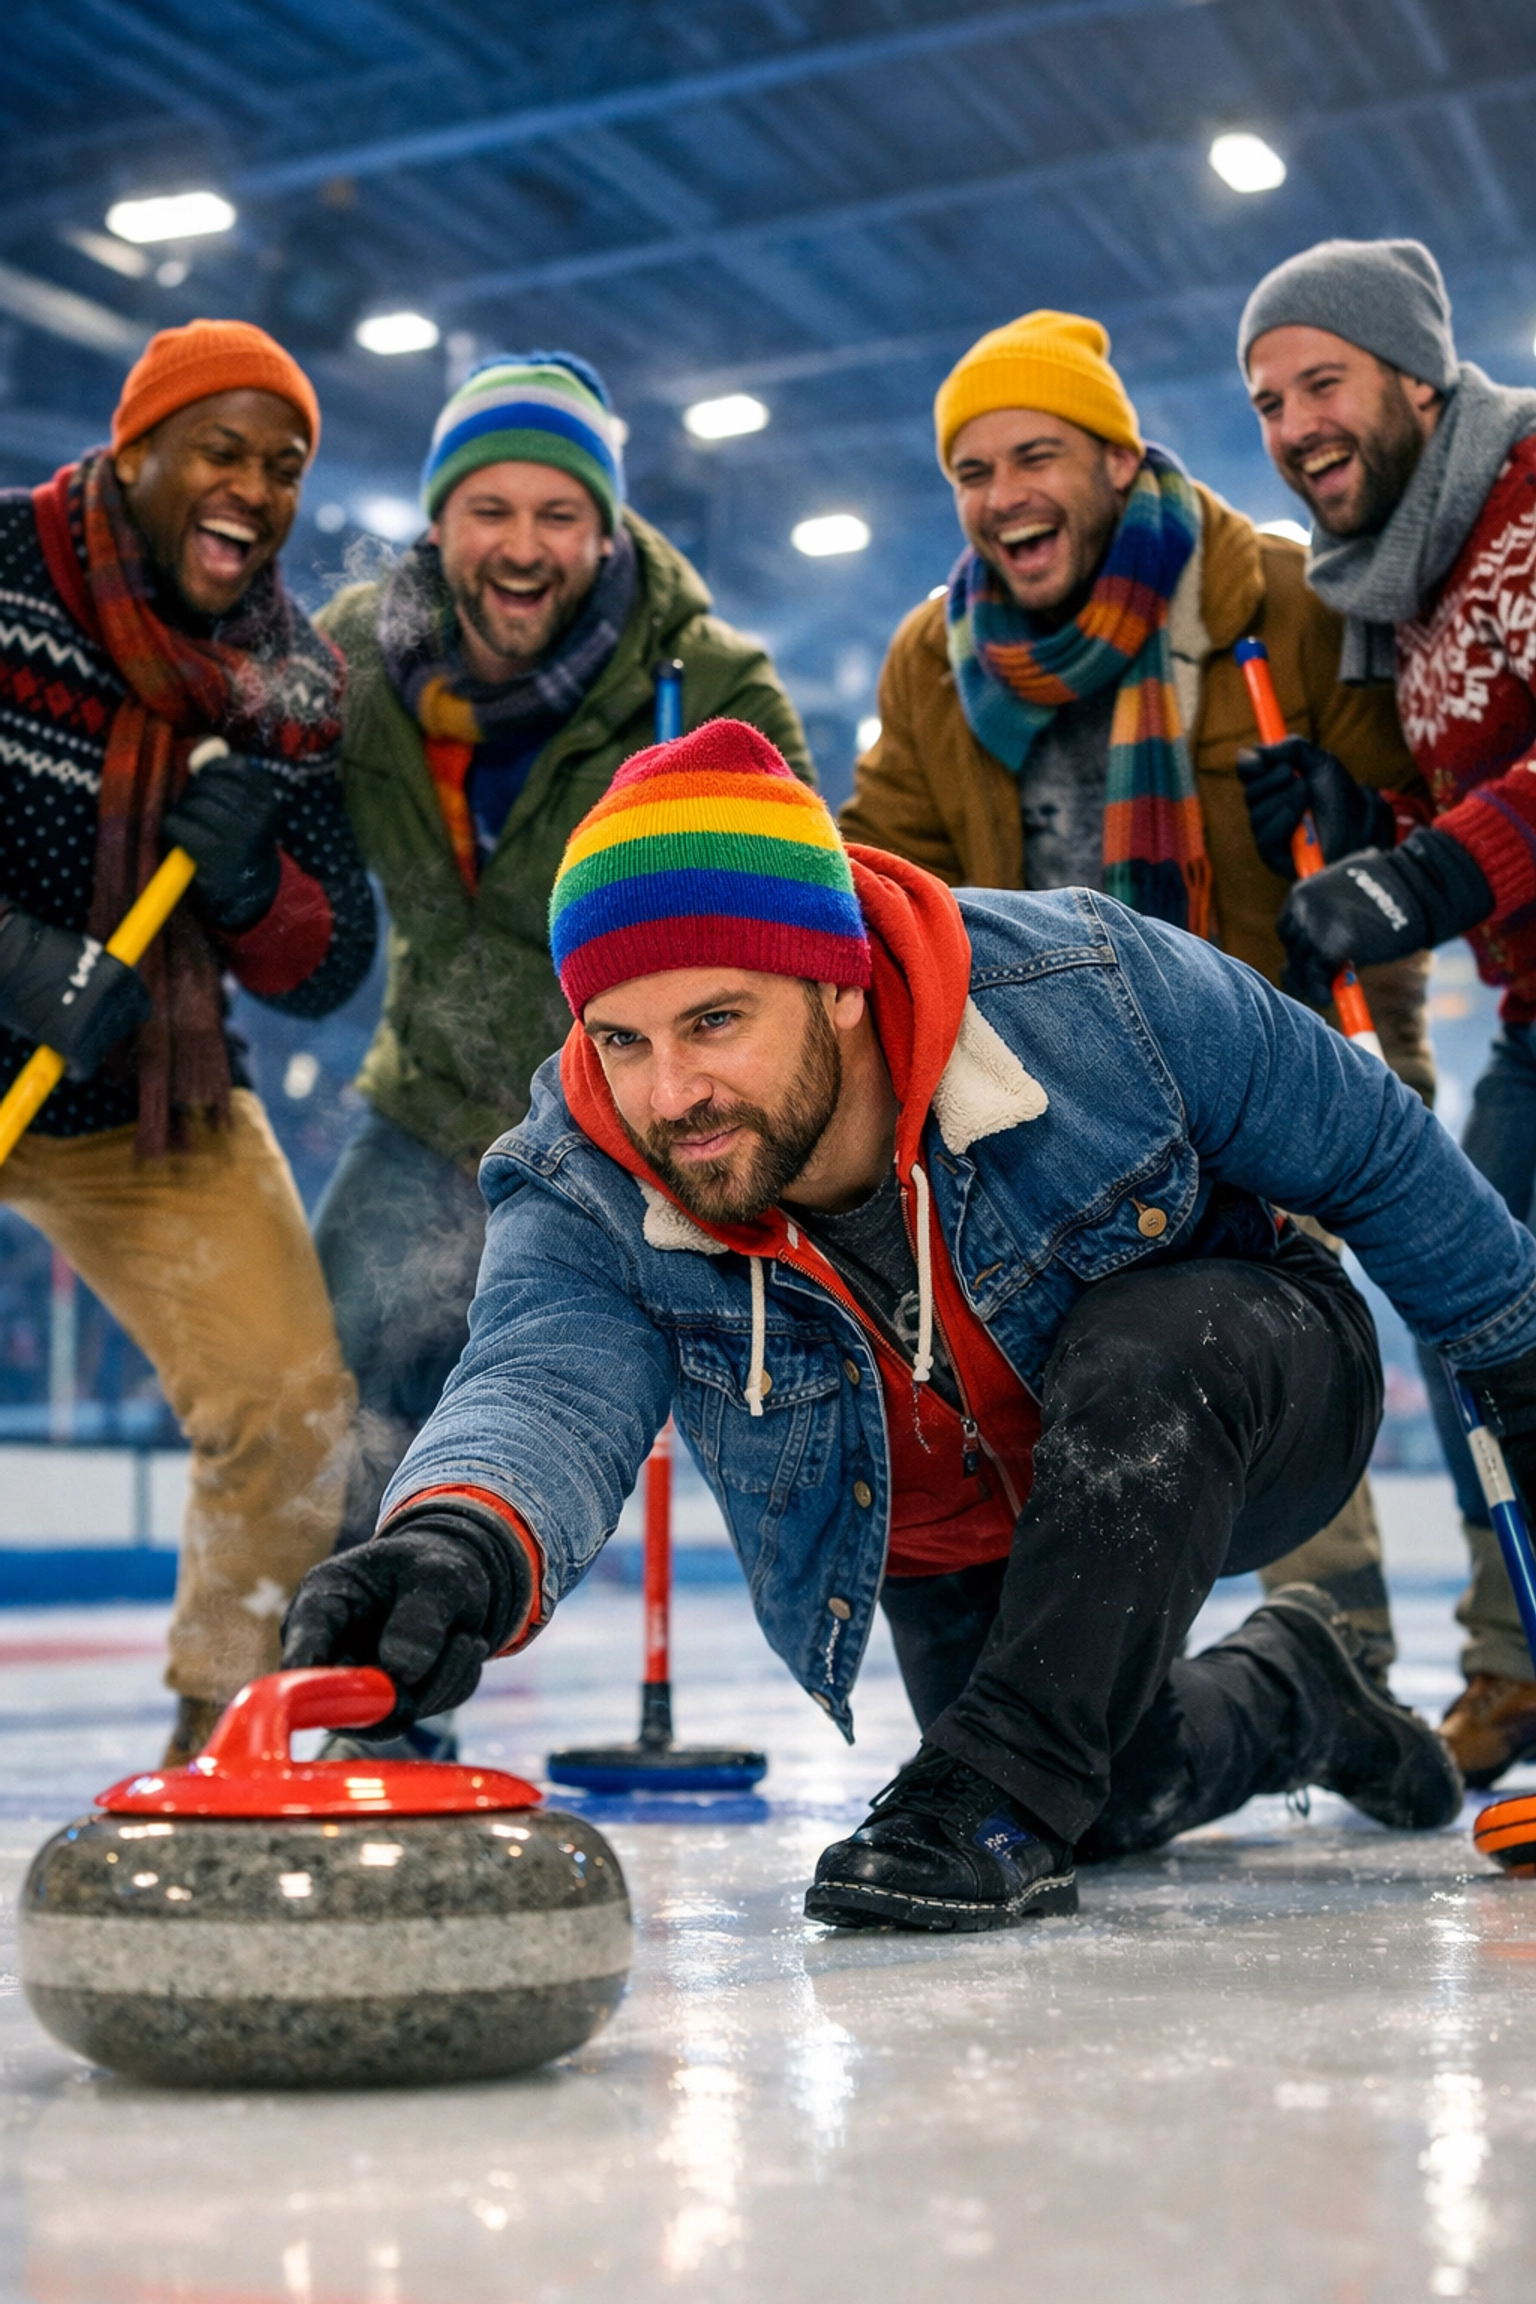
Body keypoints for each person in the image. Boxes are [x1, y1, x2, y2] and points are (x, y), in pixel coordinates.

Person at [285, 719, 1536, 1934]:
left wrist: (1519, 1354)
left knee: (1036, 1714)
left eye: (715, 1021)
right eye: (622, 1039)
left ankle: (1001, 1788)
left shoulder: (1091, 990)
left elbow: (1371, 1144)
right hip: (956, 1536)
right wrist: (461, 1538)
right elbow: (542, 1382)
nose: (670, 1095)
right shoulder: (586, 1170)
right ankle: (1292, 1693)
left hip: (1239, 1399)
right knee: (1106, 1791)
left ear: (834, 982)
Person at [838, 308, 1433, 1681]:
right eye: (972, 473)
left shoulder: (1269, 598)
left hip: (1272, 1030)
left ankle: (1339, 1654)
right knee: (1075, 1358)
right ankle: (1102, 1667)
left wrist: (1356, 813)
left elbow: (1417, 797)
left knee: (1287, 1318)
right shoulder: (935, 662)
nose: (1002, 498)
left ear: (1115, 460)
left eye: (1034, 456)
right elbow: (890, 867)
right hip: (1059, 1069)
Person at [310, 353, 813, 1713]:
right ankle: (346, 1701)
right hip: (425, 1097)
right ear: (440, 525)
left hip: (618, 1115)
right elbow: (278, 837)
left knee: (579, 1380)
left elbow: (808, 912)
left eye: (557, 512)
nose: (523, 546)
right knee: (336, 1391)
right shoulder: (355, 660)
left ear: (604, 529)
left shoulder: (704, 679)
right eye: (490, 510)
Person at [0, 319, 375, 1762]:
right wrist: (22, 961)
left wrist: (244, 884)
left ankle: (224, 1744)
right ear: (135, 445)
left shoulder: (289, 682)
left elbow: (328, 960)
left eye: (282, 466)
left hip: (146, 1096)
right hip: (31, 1025)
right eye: (221, 449)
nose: (255, 488)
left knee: (292, 1409)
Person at [1238, 237, 1536, 1786]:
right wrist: (1372, 807)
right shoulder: (1398, 578)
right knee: (1496, 1337)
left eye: (1322, 382)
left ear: (1416, 377)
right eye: (1269, 400)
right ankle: (1519, 1664)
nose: (1291, 425)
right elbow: (1461, 780)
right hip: (1534, 1020)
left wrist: (1427, 874)